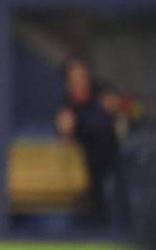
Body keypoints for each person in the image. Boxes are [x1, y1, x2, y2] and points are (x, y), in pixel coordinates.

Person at [55, 58, 123, 227]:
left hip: (110, 161)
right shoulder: (67, 105)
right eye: (74, 79)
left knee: (111, 197)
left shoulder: (101, 92)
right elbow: (64, 139)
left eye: (82, 77)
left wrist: (116, 110)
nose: (79, 83)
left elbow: (121, 113)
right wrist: (65, 132)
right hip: (84, 167)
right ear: (68, 83)